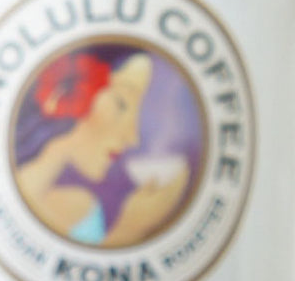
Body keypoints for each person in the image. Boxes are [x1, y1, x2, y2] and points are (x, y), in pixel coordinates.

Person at [13, 48, 190, 248]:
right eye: (122, 104)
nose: (133, 137)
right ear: (68, 89)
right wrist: (126, 229)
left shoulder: (83, 208)